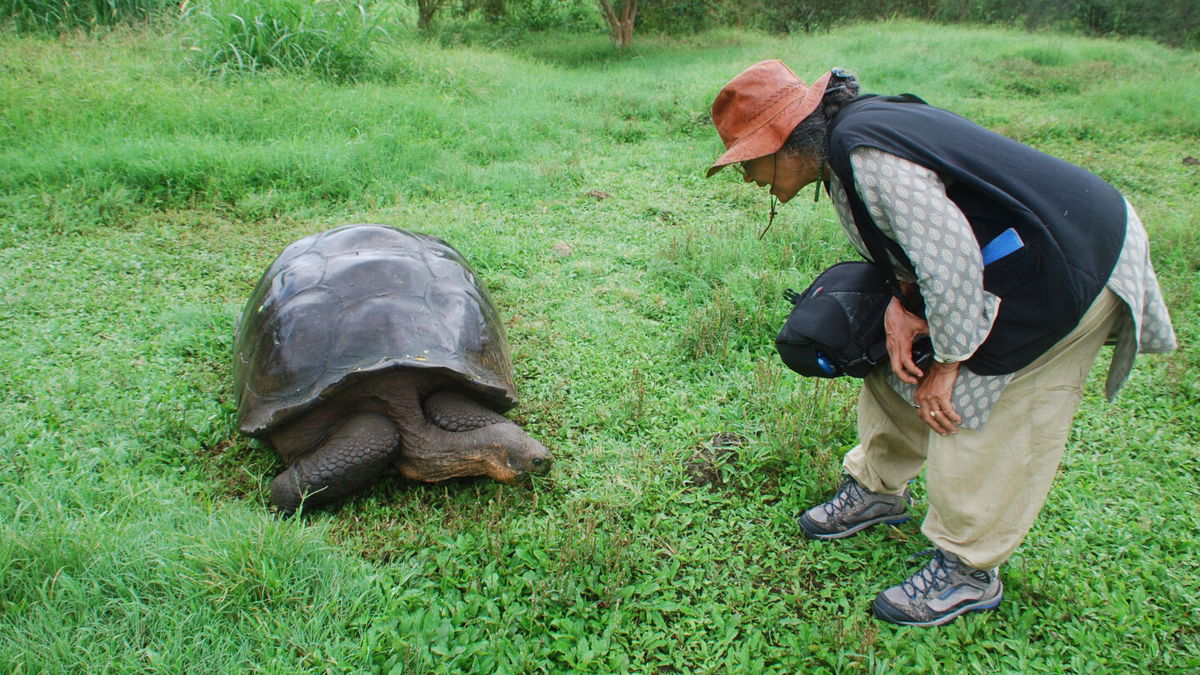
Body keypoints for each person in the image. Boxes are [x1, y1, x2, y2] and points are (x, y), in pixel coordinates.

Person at [706, 60, 1177, 627]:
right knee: (891, 357)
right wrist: (903, 306)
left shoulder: (864, 154)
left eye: (747, 160)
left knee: (981, 401)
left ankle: (968, 569)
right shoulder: (843, 146)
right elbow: (917, 242)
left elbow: (950, 258)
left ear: (783, 141)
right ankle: (877, 488)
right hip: (1005, 256)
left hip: (1068, 258)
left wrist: (951, 362)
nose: (748, 178)